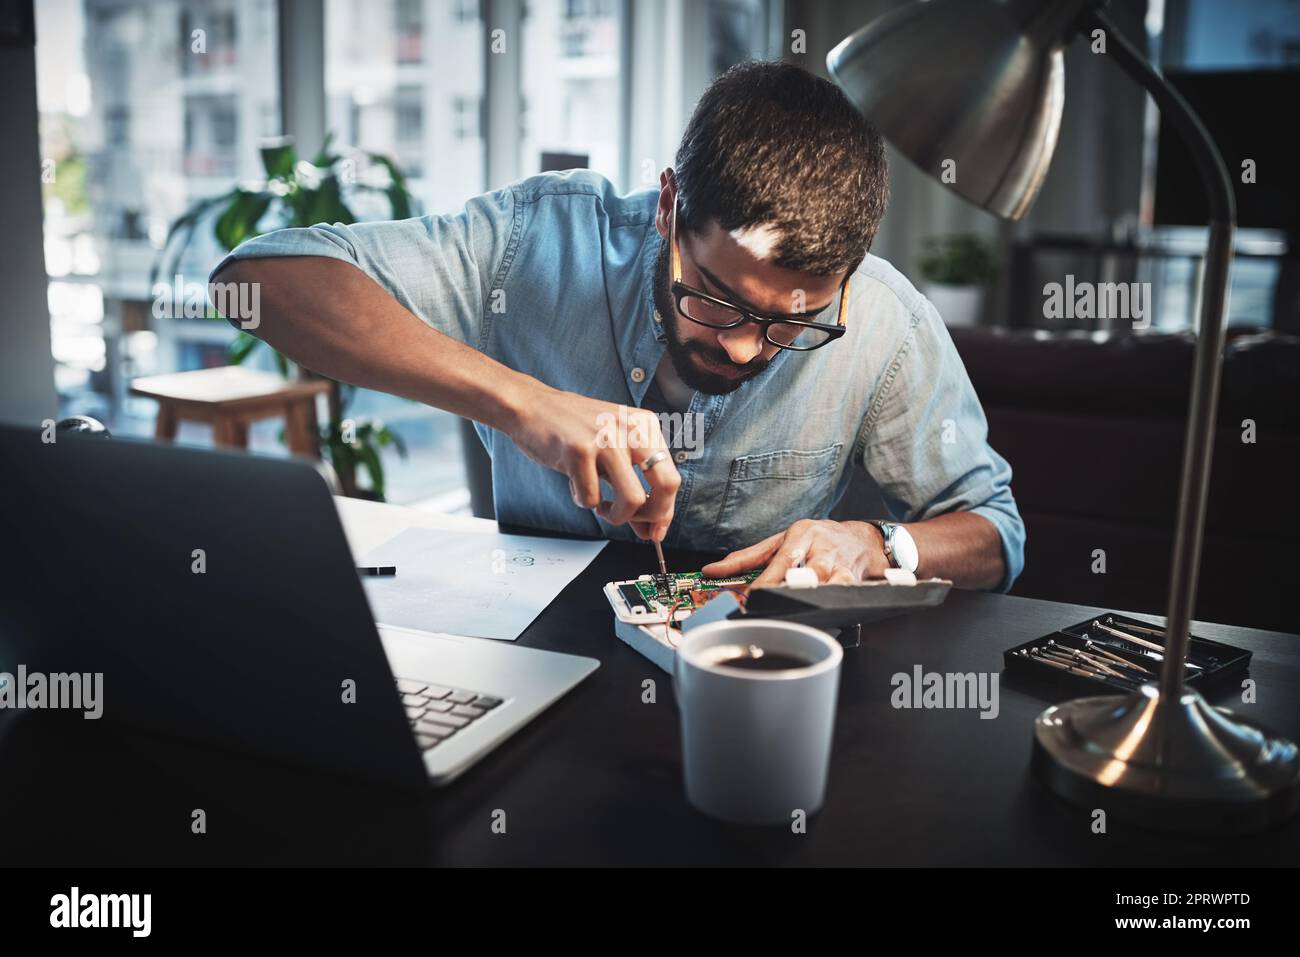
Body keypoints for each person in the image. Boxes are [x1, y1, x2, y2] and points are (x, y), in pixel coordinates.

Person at [211, 61, 1024, 592]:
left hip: (757, 691)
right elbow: (253, 283)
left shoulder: (882, 319)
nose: (743, 346)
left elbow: (995, 531)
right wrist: (524, 404)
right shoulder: (537, 242)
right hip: (529, 669)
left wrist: (880, 546)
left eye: (790, 324)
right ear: (669, 205)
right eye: (717, 298)